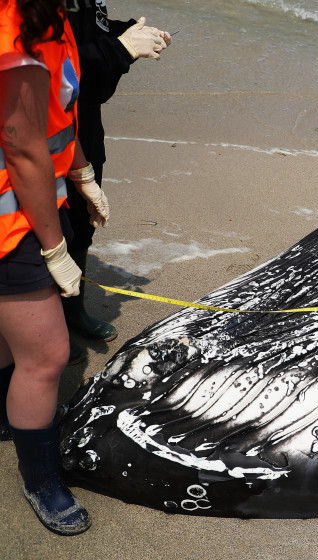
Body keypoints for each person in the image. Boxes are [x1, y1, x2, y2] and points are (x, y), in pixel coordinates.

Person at [1, 0, 109, 535]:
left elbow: (59, 110)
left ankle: (5, 415)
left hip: (37, 204)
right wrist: (52, 249)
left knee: (13, 338)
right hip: (11, 222)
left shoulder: (50, 14)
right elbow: (22, 151)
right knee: (47, 355)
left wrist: (83, 169)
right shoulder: (9, 31)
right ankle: (40, 478)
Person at [62, 1, 170, 357]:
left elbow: (93, 27)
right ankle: (36, 331)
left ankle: (70, 312)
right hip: (47, 128)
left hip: (86, 130)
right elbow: (70, 75)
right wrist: (122, 49)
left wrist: (129, 33)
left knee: (82, 222)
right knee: (43, 232)